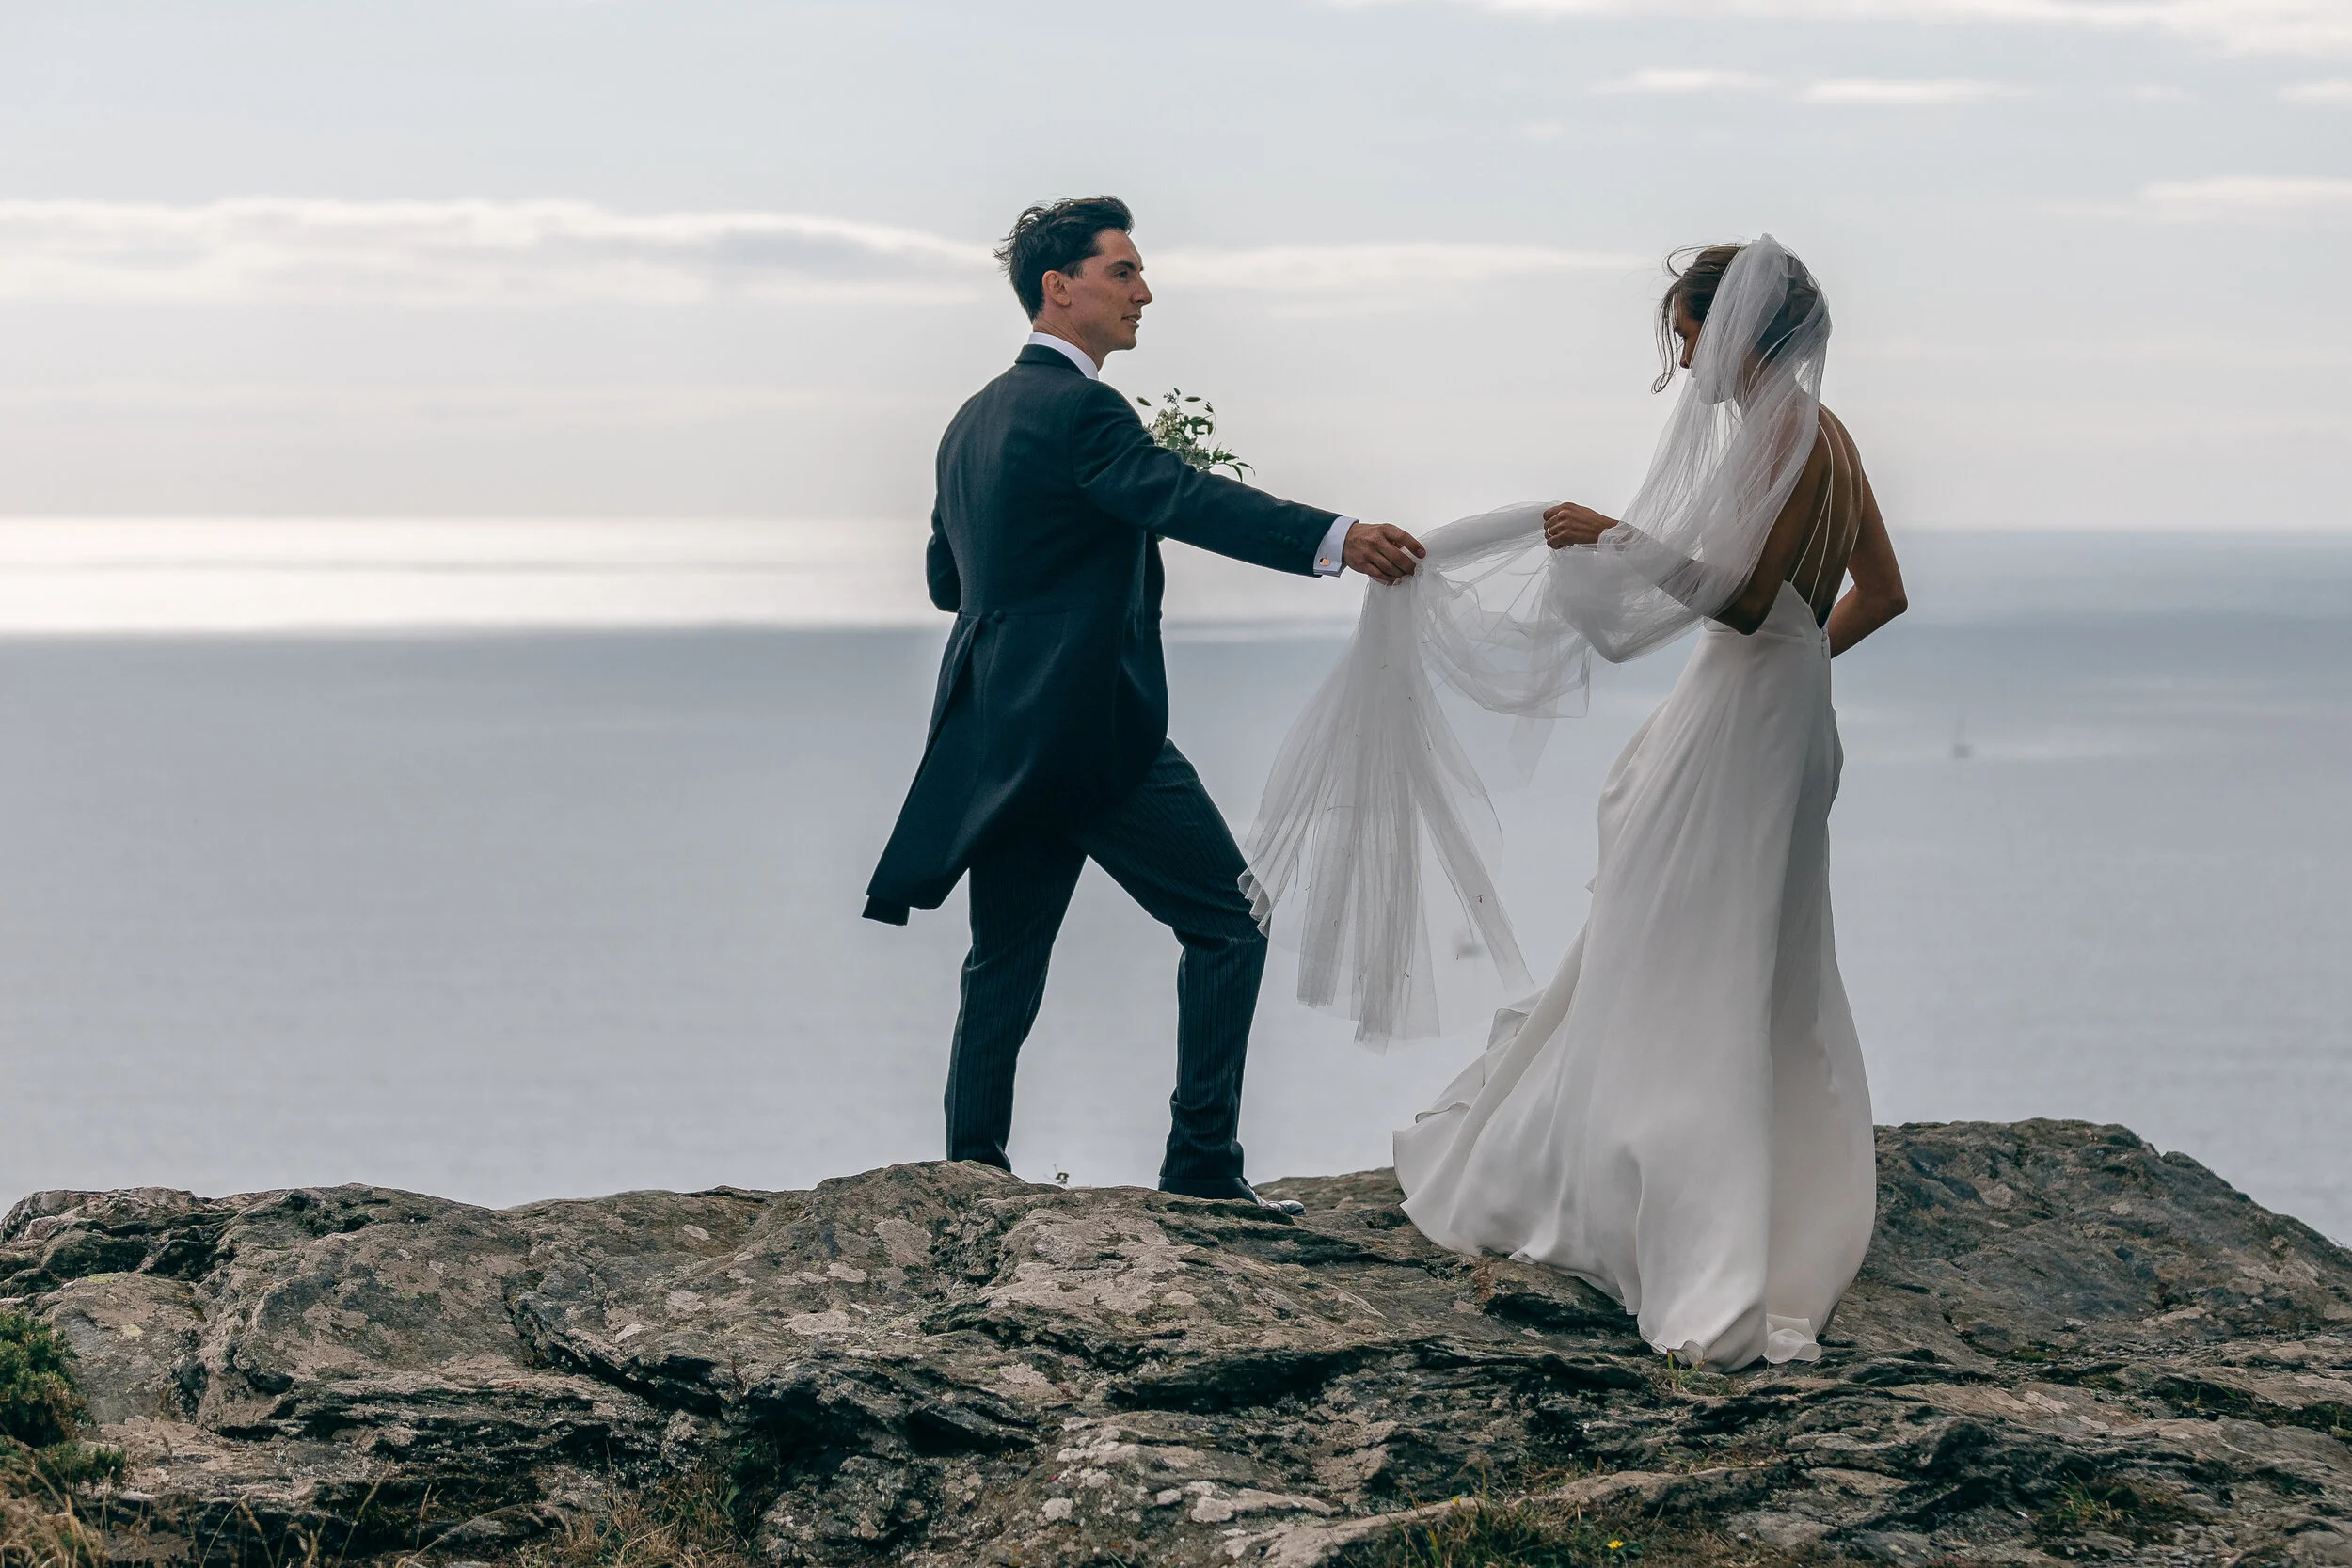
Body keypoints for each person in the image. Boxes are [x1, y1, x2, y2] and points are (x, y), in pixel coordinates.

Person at [1243, 237, 1908, 1367]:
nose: (1682, 357)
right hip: (1789, 712)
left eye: (1688, 332)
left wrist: (1617, 537)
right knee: (1749, 948)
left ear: (1732, 328)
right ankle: (1756, 1185)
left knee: (1682, 939)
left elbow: (1747, 601)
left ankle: (1670, 1199)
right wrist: (1801, 671)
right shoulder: (1827, 432)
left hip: (1748, 711)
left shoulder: (1780, 431)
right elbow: (1879, 593)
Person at [863, 196, 1426, 1211]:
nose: (1144, 292)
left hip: (999, 732)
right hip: (1092, 729)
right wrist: (1337, 537)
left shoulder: (970, 421)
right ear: (1059, 287)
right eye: (1122, 272)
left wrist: (1079, 543)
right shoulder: (1085, 412)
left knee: (1002, 963)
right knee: (1229, 924)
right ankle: (1201, 1166)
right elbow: (1183, 497)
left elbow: (951, 583)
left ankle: (971, 1177)